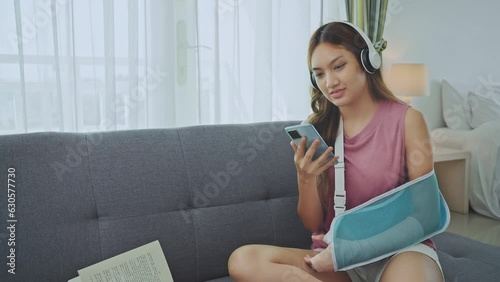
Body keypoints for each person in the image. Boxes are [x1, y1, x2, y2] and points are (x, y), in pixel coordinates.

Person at [227, 21, 444, 282]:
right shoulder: (318, 128)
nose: (329, 82)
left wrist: (348, 251)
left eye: (339, 66)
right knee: (243, 260)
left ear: (367, 61)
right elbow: (313, 224)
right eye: (319, 74)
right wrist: (305, 178)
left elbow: (426, 215)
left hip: (401, 253)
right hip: (338, 261)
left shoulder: (409, 121)